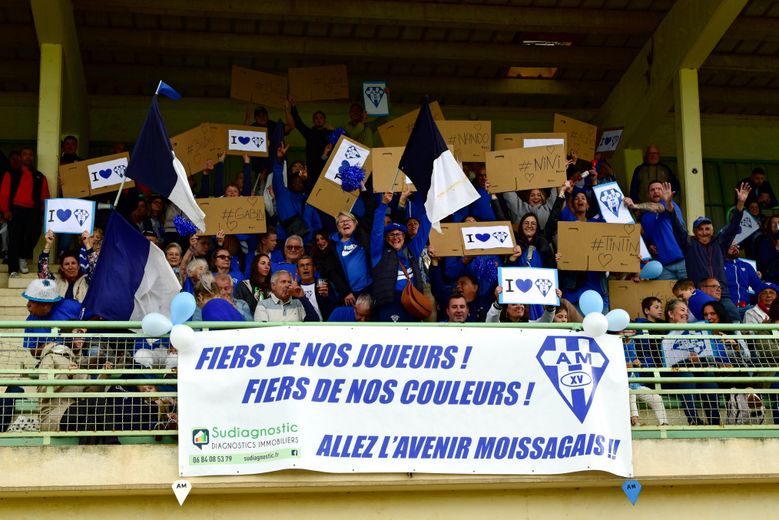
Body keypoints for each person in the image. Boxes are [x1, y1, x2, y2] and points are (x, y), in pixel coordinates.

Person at [672, 182, 751, 322]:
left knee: (734, 320)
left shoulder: (720, 243)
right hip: (699, 294)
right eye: (700, 229)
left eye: (707, 229)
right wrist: (669, 207)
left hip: (722, 294)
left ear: (712, 230)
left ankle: (738, 344)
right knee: (703, 325)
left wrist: (740, 204)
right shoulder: (689, 244)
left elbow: (733, 226)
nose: (704, 232)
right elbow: (677, 228)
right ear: (695, 232)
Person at [371, 192, 432, 322]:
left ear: (404, 237)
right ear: (386, 239)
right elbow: (376, 232)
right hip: (389, 304)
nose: (396, 238)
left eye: (399, 235)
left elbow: (425, 225)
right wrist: (383, 205)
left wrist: (427, 201)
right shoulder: (379, 253)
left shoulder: (411, 250)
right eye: (392, 235)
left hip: (412, 303)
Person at [661, 298, 722, 426]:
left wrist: (698, 362)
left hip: (695, 371)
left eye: (687, 311)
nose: (686, 313)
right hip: (672, 375)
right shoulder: (660, 332)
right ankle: (693, 420)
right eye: (682, 310)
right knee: (686, 376)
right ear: (671, 314)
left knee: (708, 376)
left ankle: (714, 422)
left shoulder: (695, 330)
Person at [0, 146, 49, 277]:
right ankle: (13, 269)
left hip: (34, 211)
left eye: (30, 155)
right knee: (14, 239)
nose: (28, 157)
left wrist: (44, 213)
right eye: (25, 154)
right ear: (21, 157)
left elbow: (45, 196)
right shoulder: (11, 173)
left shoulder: (40, 176)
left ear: (33, 158)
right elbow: (4, 194)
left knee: (34, 233)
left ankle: (23, 257)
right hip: (15, 210)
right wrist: (5, 210)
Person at [625, 180, 687, 280]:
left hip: (683, 261)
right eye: (652, 190)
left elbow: (657, 208)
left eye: (659, 189)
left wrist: (634, 206)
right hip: (663, 266)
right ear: (649, 194)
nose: (656, 191)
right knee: (667, 295)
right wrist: (650, 246)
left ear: (664, 192)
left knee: (689, 292)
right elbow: (647, 240)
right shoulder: (645, 218)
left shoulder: (670, 205)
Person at [21, 279, 82, 357]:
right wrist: (51, 346)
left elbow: (93, 318)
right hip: (48, 360)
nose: (28, 305)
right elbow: (34, 353)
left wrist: (80, 338)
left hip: (76, 359)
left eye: (32, 302)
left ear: (46, 304)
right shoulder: (31, 321)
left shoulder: (72, 307)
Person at [38, 231, 95, 303]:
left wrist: (87, 244)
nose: (70, 267)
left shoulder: (87, 281)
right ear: (62, 268)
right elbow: (42, 269)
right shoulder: (55, 282)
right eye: (67, 264)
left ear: (78, 266)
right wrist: (48, 244)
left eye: (73, 263)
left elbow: (95, 267)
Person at [332, 211, 372, 305]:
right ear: (338, 227)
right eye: (341, 221)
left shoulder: (362, 238)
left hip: (369, 288)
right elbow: (334, 273)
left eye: (348, 220)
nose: (345, 223)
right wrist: (345, 292)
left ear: (355, 223)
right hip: (350, 295)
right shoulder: (333, 247)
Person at [290, 103, 331, 187]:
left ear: (324, 120)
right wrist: (293, 106)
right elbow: (298, 123)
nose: (319, 120)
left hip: (327, 169)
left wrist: (334, 129)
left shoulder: (331, 134)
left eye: (321, 118)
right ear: (313, 121)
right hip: (312, 170)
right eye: (316, 118)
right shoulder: (310, 133)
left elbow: (346, 141)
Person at [724, 243, 762, 316]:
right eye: (731, 247)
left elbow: (759, 287)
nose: (735, 248)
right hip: (726, 309)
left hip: (746, 308)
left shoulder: (746, 266)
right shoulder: (718, 265)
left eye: (736, 246)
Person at [296, 255, 337, 321]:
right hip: (300, 326)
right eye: (302, 265)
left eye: (308, 265)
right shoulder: (295, 288)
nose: (305, 268)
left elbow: (334, 308)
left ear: (314, 268)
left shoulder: (323, 284)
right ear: (297, 270)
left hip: (321, 325)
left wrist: (326, 297)